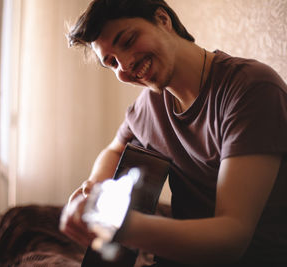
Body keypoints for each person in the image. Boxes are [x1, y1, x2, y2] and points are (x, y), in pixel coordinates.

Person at [59, 0, 287, 266]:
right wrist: (93, 189)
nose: (124, 65)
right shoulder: (150, 104)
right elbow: (116, 148)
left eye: (129, 40)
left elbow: (232, 237)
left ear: (163, 19)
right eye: (111, 62)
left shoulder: (252, 89)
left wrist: (122, 223)